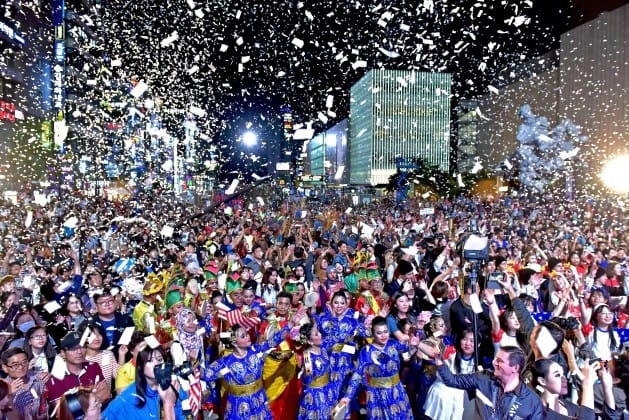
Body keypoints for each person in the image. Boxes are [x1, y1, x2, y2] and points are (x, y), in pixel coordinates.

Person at [202, 310, 304, 420]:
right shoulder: (226, 362)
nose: (248, 337)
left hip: (259, 400)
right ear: (234, 342)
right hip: (239, 406)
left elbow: (274, 340)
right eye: (243, 336)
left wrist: (291, 324)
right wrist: (192, 365)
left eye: (246, 334)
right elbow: (206, 375)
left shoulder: (256, 351)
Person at [434, 345, 543, 419]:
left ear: (515, 368)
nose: (493, 362)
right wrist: (439, 361)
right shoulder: (484, 378)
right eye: (496, 359)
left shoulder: (532, 401)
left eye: (500, 361)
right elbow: (452, 381)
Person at [340, 316, 414, 419]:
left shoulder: (393, 344)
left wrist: (413, 343)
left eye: (386, 332)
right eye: (379, 333)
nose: (383, 336)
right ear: (373, 334)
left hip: (396, 391)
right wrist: (347, 397)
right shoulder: (366, 351)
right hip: (377, 394)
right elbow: (357, 375)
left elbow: (407, 351)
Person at [102, 346, 187, 420]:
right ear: (140, 367)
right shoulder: (130, 397)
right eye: (150, 360)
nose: (156, 364)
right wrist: (168, 404)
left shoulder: (173, 387)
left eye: (159, 359)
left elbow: (186, 414)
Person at [44, 331, 111, 407]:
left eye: (82, 347)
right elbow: (63, 412)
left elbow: (106, 394)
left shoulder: (93, 366)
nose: (79, 352)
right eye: (73, 349)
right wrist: (94, 396)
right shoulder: (55, 379)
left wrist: (77, 402)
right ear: (63, 353)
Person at [423, 328, 477, 420]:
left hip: (458, 399)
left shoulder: (478, 360)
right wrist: (419, 343)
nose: (467, 343)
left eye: (472, 341)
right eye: (464, 339)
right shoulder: (451, 351)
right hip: (441, 394)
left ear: (478, 344)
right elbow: (432, 350)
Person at [296, 322, 335, 420]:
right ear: (310, 341)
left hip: (327, 390)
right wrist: (303, 371)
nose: (320, 334)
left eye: (318, 332)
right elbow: (307, 377)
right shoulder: (307, 356)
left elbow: (335, 343)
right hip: (315, 396)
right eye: (317, 334)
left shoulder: (323, 348)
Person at [0, 347, 47, 419]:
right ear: (5, 368)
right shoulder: (2, 388)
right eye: (15, 364)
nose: (21, 367)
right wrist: (9, 394)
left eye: (24, 362)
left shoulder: (37, 378)